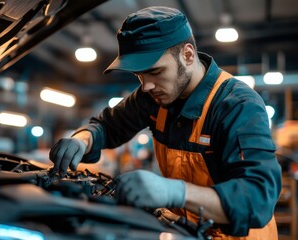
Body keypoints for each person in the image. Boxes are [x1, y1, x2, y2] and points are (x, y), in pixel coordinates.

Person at [49, 6, 282, 239]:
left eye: (155, 71)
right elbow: (108, 126)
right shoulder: (153, 96)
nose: (146, 86)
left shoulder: (237, 106)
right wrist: (81, 139)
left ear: (188, 55)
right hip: (185, 232)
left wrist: (174, 192)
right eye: (139, 75)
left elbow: (257, 199)